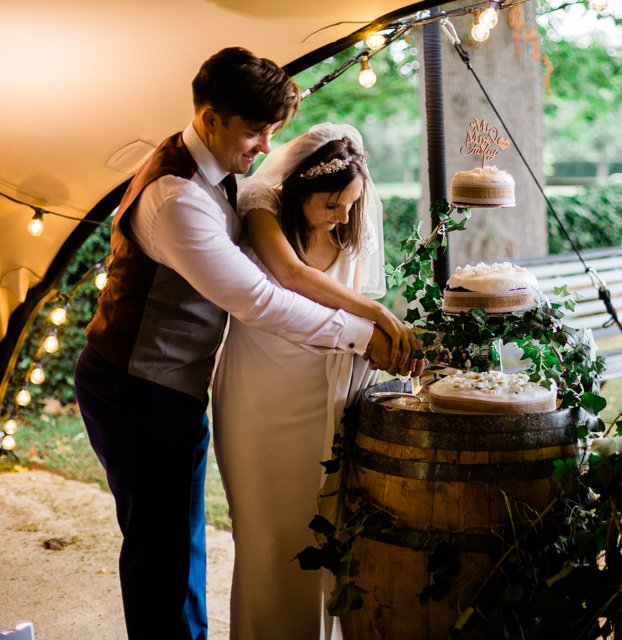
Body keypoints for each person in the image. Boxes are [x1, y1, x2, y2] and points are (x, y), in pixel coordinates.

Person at [73, 48, 412, 640]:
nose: (264, 148)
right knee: (163, 553)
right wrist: (361, 336)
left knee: (180, 542)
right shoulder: (177, 199)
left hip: (170, 385)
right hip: (135, 385)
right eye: (254, 131)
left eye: (272, 132)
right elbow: (259, 298)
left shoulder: (217, 169)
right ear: (209, 118)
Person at [212, 123, 412, 640]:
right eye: (330, 205)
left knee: (324, 531)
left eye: (351, 204)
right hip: (262, 393)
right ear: (300, 190)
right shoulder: (260, 202)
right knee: (268, 537)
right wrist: (376, 317)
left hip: (329, 388)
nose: (343, 216)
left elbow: (353, 292)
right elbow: (290, 275)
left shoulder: (352, 220)